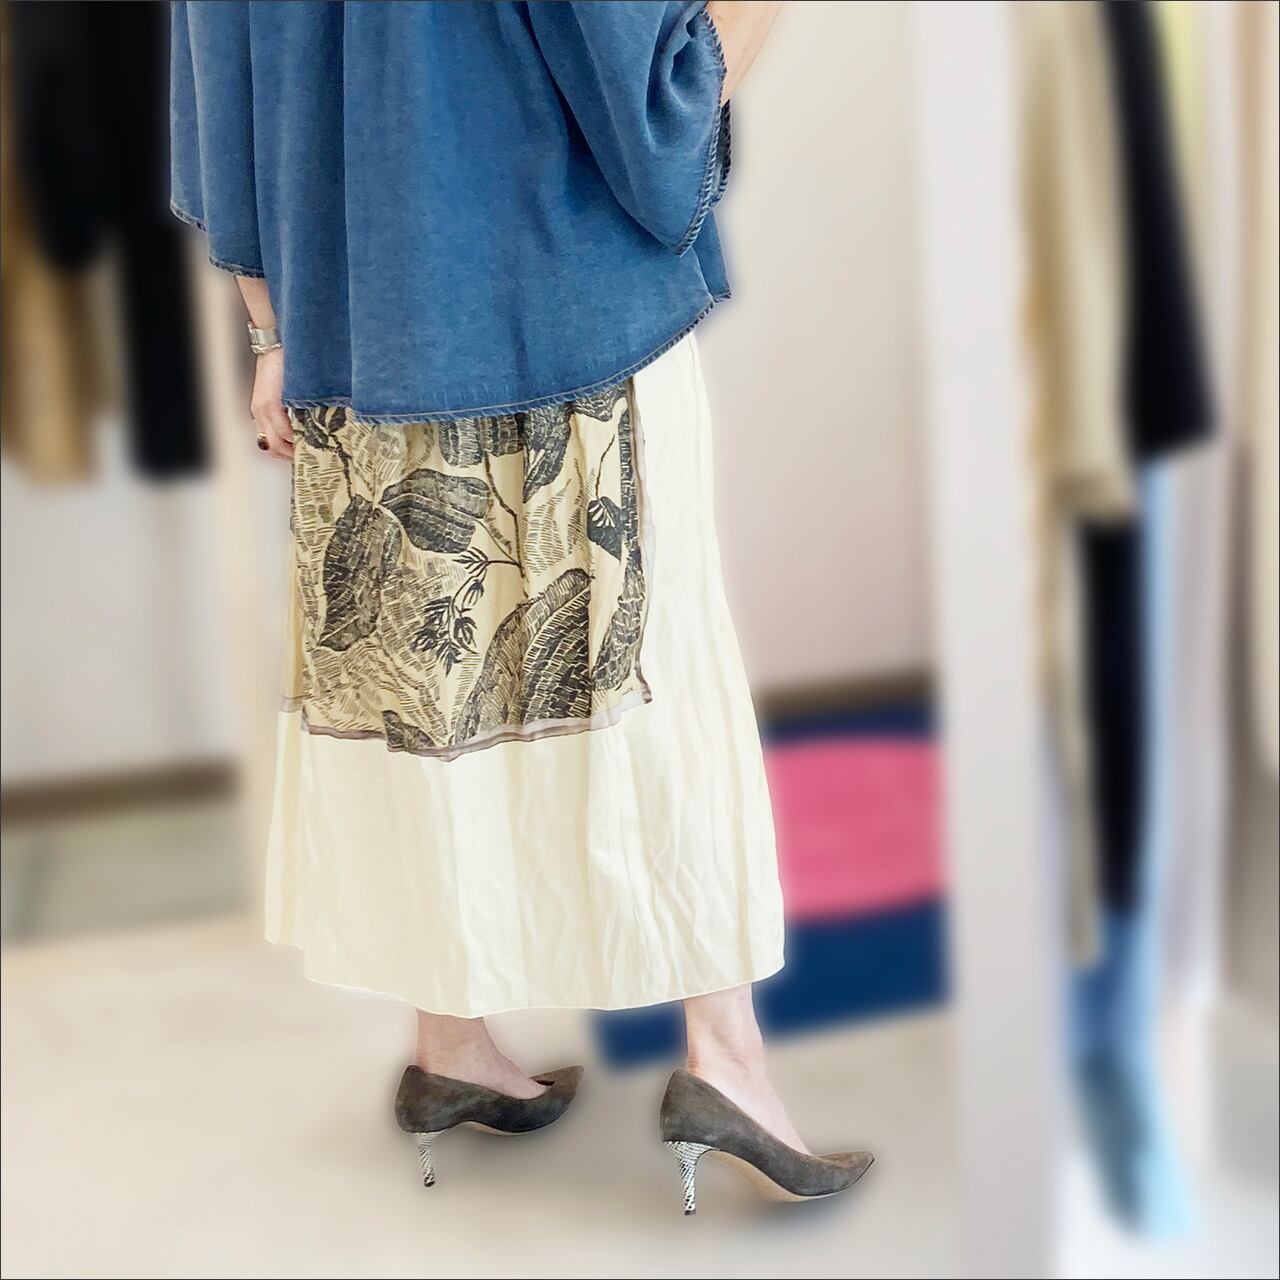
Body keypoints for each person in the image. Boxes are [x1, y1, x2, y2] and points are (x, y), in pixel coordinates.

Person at [171, 0, 872, 1214]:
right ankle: (724, 1061)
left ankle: (450, 1043)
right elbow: (648, 87)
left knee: (422, 692)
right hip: (559, 312)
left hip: (356, 320)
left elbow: (218, 86)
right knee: (651, 678)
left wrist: (270, 329)